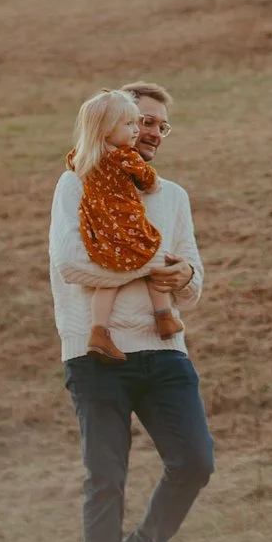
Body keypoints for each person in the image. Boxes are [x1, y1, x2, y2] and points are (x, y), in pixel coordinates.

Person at [46, 81, 212, 542]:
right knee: (105, 478)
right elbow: (72, 264)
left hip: (164, 350)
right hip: (94, 356)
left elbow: (191, 278)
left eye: (163, 125)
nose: (154, 133)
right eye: (145, 121)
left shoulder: (172, 196)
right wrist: (149, 265)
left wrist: (182, 272)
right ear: (116, 123)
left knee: (194, 461)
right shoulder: (75, 184)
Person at [68, 89, 185, 362]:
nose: (137, 131)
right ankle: (164, 315)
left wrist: (187, 273)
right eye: (136, 123)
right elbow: (149, 181)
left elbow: (73, 160)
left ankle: (98, 331)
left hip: (100, 232)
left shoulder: (86, 161)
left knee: (108, 281)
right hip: (128, 227)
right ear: (108, 127)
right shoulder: (125, 158)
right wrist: (152, 184)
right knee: (154, 255)